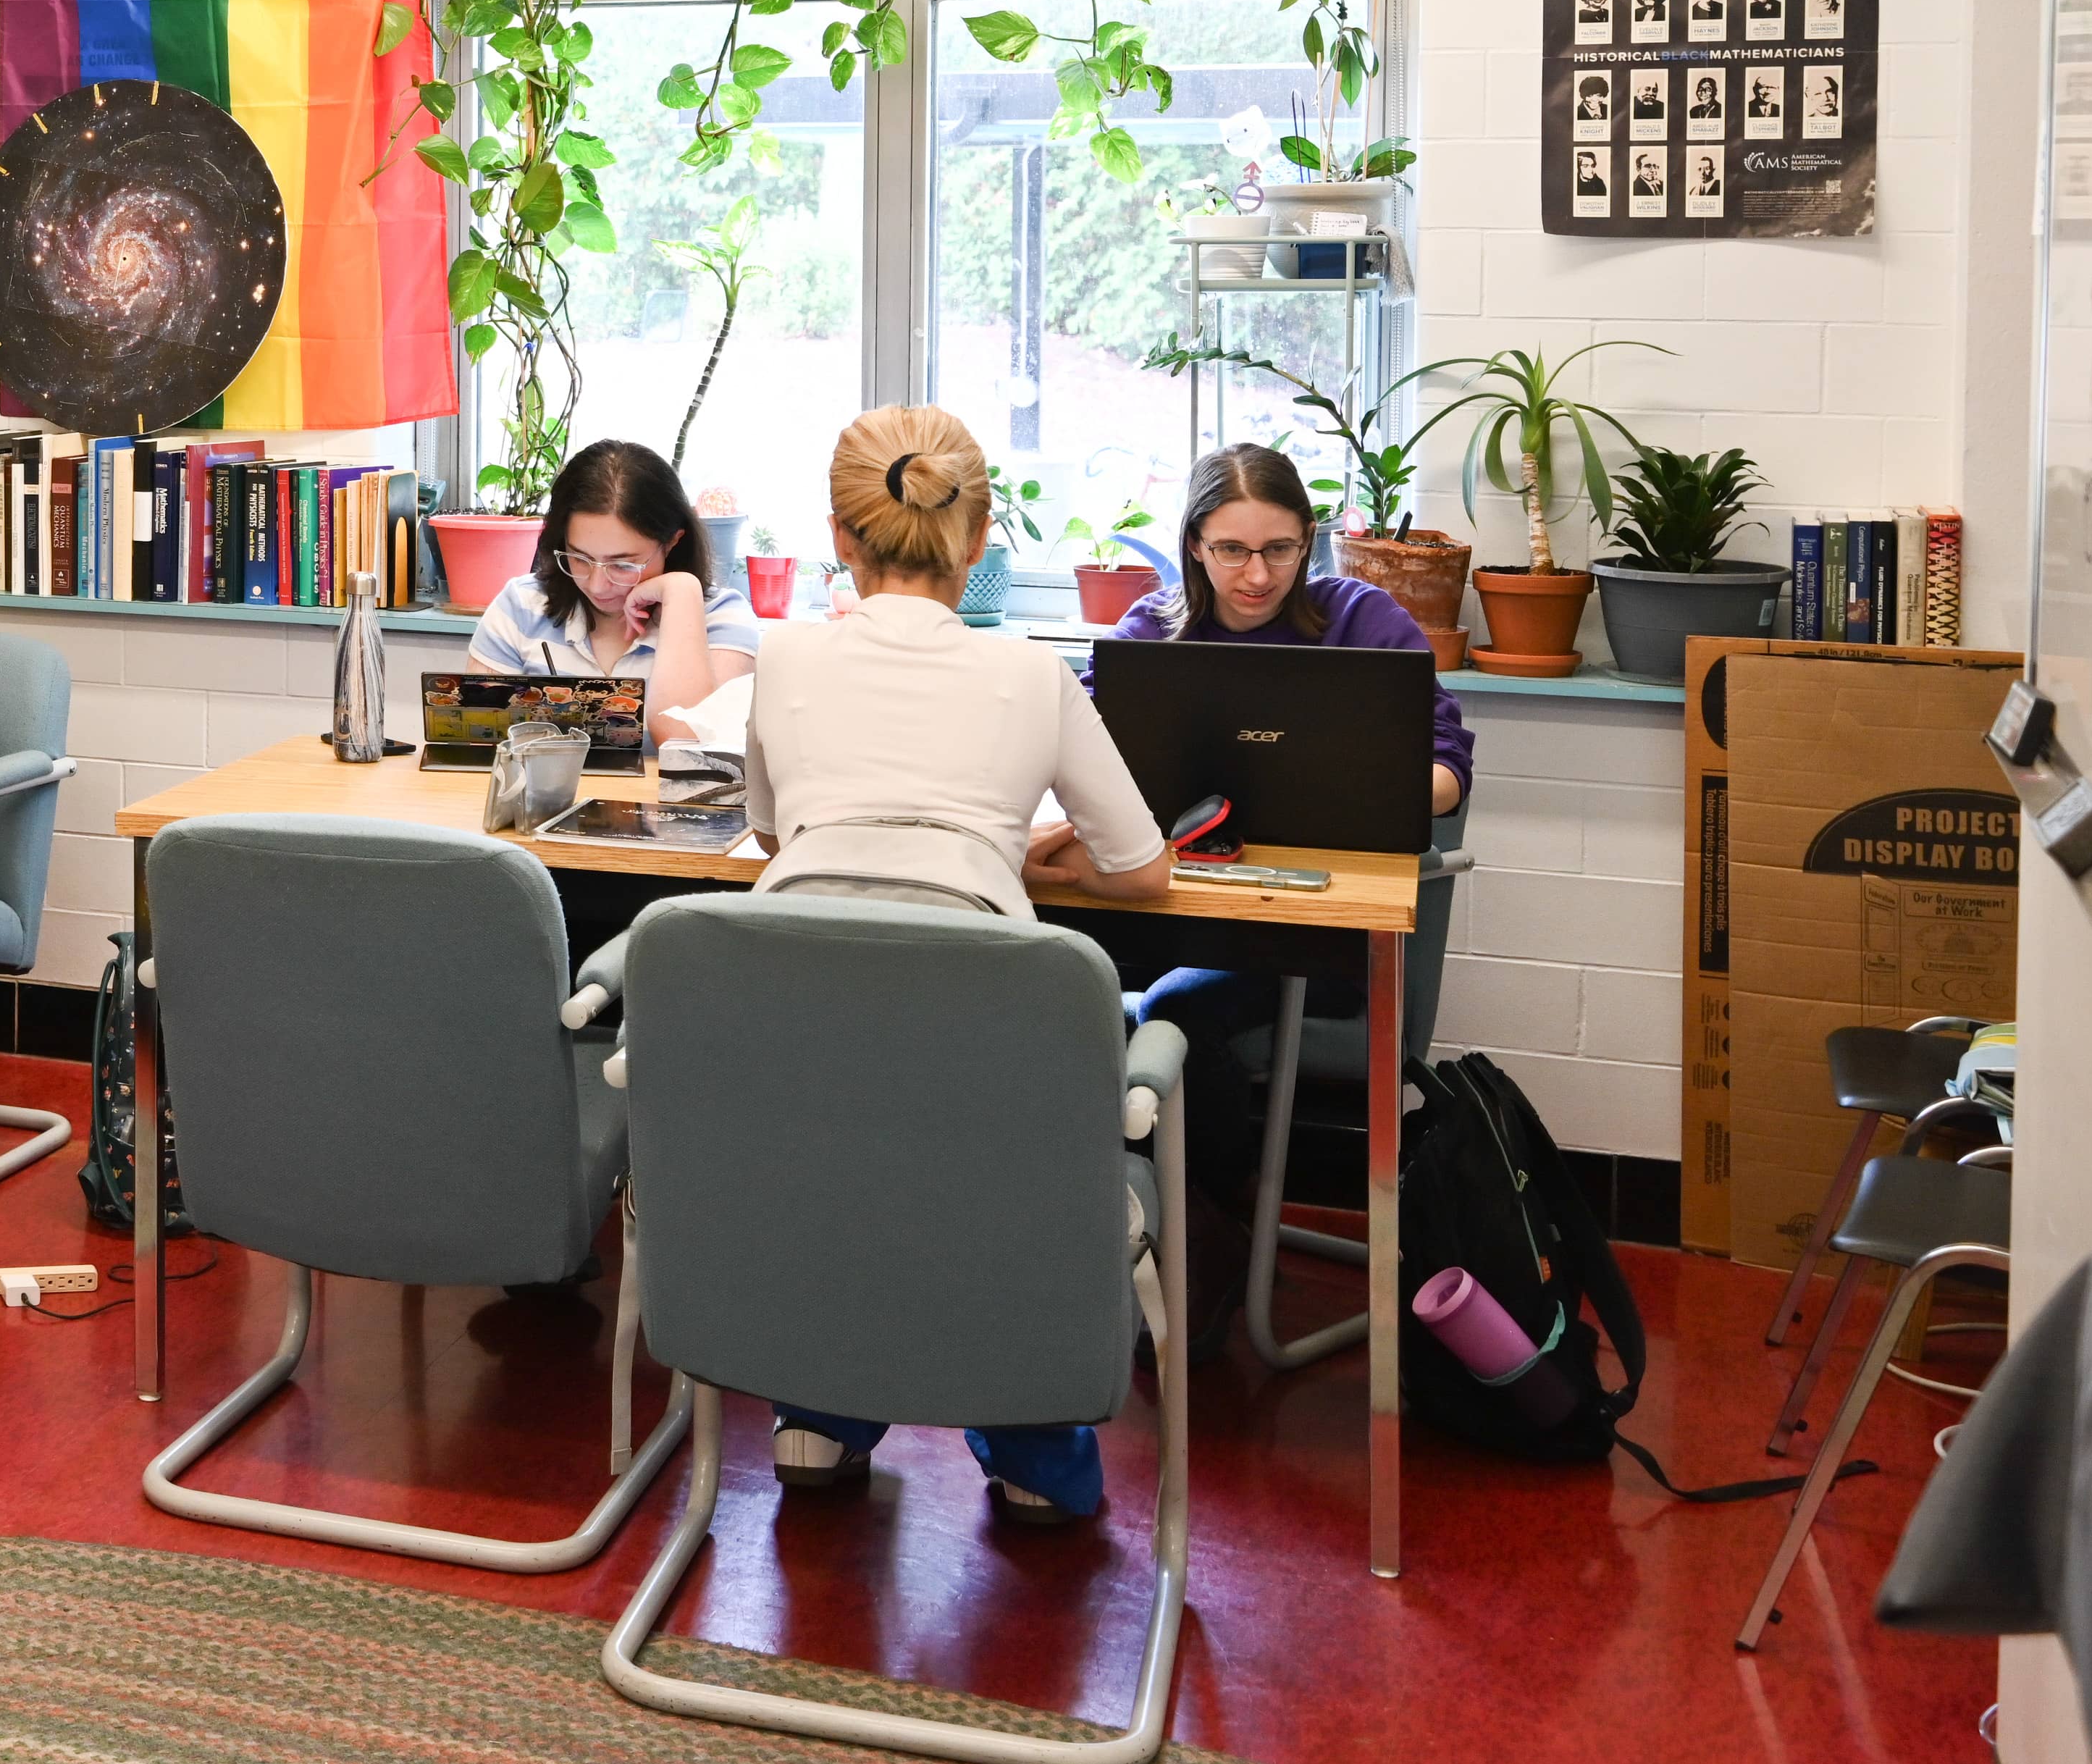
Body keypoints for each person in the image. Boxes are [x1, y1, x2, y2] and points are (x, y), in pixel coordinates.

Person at [734, 405, 1172, 1524]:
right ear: (978, 537)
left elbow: (780, 840)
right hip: (984, 1029)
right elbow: (1144, 872)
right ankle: (1030, 1443)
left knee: (837, 1161)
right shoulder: (1032, 676)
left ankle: (821, 1414)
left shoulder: (783, 656)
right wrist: (1019, 855)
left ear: (841, 536)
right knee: (979, 1177)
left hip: (793, 1032)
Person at [1080, 448, 1474, 1235]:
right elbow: (1080, 759)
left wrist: (1344, 791)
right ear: (1195, 543)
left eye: (1279, 550)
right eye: (1232, 550)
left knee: (1176, 1010)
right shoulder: (1149, 634)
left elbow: (1447, 775)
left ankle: (1209, 1245)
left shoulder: (1363, 621)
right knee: (1074, 988)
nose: (1257, 576)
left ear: (1309, 540)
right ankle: (1121, 1229)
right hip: (1172, 914)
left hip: (1316, 936)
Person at [463, 437, 756, 736]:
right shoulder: (521, 606)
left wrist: (682, 592)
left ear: (672, 542)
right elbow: (480, 738)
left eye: (623, 565)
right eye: (579, 558)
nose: (598, 585)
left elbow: (688, 752)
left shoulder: (721, 619)